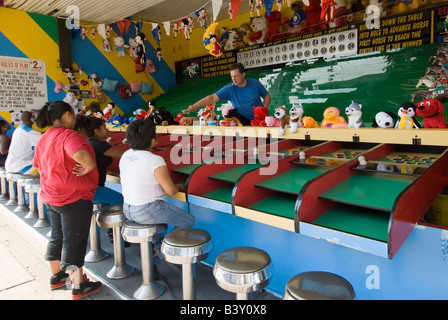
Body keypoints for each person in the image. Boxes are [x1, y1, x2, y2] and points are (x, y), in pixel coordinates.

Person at [33, 101, 102, 300]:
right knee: (74, 241)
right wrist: (87, 166)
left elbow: (38, 164)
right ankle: (79, 285)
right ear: (68, 115)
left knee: (57, 236)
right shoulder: (69, 136)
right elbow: (83, 157)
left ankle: (57, 276)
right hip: (73, 198)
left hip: (51, 196)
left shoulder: (44, 138)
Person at [119, 118, 195, 229]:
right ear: (153, 140)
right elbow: (171, 191)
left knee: (161, 225)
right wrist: (177, 187)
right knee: (189, 221)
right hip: (147, 210)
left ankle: (156, 244)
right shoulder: (154, 160)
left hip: (127, 208)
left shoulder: (126, 155)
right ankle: (162, 246)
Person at [185, 62, 271, 123]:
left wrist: (264, 110)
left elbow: (267, 96)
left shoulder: (255, 83)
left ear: (243, 75)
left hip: (260, 121)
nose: (234, 79)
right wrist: (195, 106)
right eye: (232, 76)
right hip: (242, 122)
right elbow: (212, 98)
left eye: (236, 76)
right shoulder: (229, 88)